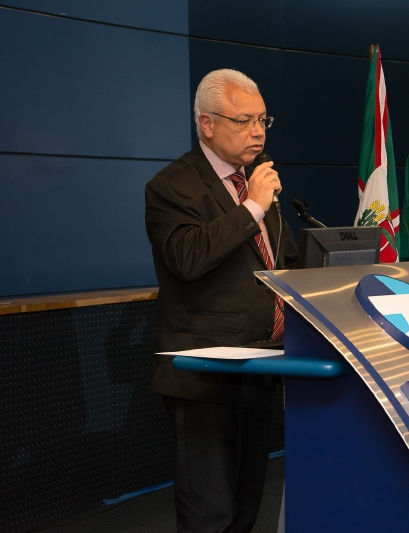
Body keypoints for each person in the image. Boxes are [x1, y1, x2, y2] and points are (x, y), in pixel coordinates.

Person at [144, 69, 298, 533]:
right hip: (205, 377)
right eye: (244, 120)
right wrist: (252, 207)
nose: (258, 131)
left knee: (247, 509)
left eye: (263, 120)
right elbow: (187, 258)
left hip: (263, 368)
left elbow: (283, 263)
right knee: (209, 515)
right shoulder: (173, 186)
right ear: (207, 124)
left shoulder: (257, 183)